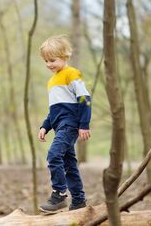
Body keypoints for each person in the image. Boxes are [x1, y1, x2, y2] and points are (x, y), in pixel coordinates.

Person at [37, 35, 91, 213]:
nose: (49, 64)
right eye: (46, 61)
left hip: (70, 125)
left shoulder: (71, 74)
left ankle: (59, 194)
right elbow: (54, 110)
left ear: (64, 56)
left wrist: (84, 124)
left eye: (52, 60)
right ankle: (78, 201)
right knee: (69, 164)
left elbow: (84, 99)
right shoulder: (51, 81)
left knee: (53, 155)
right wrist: (45, 126)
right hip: (60, 126)